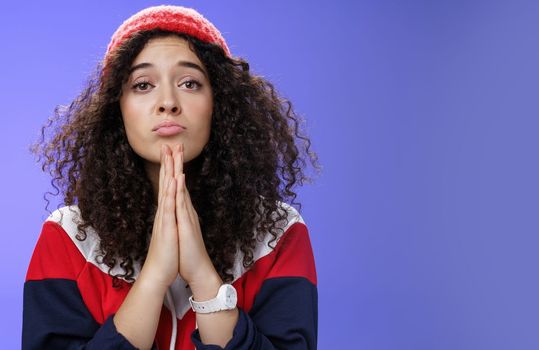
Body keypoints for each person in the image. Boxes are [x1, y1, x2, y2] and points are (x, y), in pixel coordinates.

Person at [23, 5, 321, 350]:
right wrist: (154, 277)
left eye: (190, 83)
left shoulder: (279, 233)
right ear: (117, 110)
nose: (167, 102)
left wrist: (203, 276)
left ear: (220, 104)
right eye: (143, 84)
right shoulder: (67, 237)